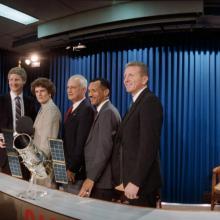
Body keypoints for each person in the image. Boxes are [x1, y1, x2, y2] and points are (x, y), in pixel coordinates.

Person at [112, 61, 163, 207]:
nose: (126, 80)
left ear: (144, 79)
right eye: (124, 76)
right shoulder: (136, 102)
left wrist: (135, 181)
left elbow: (149, 147)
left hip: (142, 185)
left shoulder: (150, 102)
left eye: (131, 75)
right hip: (130, 182)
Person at [78, 78, 121, 201]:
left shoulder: (107, 112)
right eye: (89, 91)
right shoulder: (102, 111)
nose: (90, 94)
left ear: (106, 92)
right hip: (100, 180)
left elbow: (104, 149)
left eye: (94, 91)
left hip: (103, 181)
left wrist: (91, 178)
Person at [0, 67, 36, 178]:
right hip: (5, 152)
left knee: (22, 188)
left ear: (24, 81)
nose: (13, 82)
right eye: (11, 79)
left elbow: (33, 125)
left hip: (25, 154)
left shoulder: (30, 102)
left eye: (17, 79)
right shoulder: (1, 101)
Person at [63, 75, 95, 194]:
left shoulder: (86, 109)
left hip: (76, 173)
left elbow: (81, 143)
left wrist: (72, 168)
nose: (69, 90)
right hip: (68, 168)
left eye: (73, 87)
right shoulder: (73, 108)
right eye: (68, 87)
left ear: (83, 90)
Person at [31, 77, 61, 188]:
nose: (39, 94)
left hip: (44, 165)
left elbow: (47, 143)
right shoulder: (43, 108)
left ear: (50, 93)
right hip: (38, 163)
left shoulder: (51, 110)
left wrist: (37, 164)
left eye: (42, 91)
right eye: (37, 91)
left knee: (43, 199)